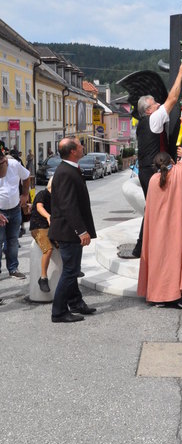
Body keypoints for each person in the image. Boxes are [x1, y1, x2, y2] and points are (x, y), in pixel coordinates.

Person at [137, 114, 182, 308]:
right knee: (180, 258)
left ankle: (159, 296)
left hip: (159, 231)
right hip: (179, 228)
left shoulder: (153, 181)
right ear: (171, 160)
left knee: (161, 259)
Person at [131, 62, 182, 258]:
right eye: (156, 103)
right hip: (152, 170)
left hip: (147, 169)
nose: (159, 105)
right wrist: (180, 72)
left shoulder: (144, 124)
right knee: (157, 207)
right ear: (149, 110)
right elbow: (173, 99)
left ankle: (142, 247)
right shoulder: (154, 119)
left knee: (153, 207)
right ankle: (144, 247)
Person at [49, 137, 96, 323]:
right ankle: (59, 312)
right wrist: (81, 231)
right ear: (73, 151)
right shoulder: (66, 172)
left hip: (68, 231)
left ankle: (76, 303)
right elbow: (69, 206)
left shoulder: (69, 168)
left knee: (72, 269)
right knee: (70, 271)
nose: (83, 147)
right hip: (68, 232)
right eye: (79, 145)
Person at [0, 146, 30, 279]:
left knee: (12, 240)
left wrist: (25, 194)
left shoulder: (14, 164)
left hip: (14, 209)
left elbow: (27, 176)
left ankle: (13, 268)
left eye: (3, 164)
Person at [29, 177, 54, 293]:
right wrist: (48, 216)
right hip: (38, 226)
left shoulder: (58, 198)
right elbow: (39, 207)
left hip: (51, 227)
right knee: (48, 249)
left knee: (67, 243)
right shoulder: (42, 194)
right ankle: (43, 277)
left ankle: (73, 268)